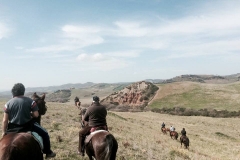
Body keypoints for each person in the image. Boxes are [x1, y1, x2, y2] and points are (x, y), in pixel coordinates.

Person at [1, 83, 56, 159]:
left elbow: (5, 120)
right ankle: (48, 152)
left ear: (13, 92)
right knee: (45, 133)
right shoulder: (31, 101)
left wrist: (4, 132)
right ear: (23, 91)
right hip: (27, 127)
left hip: (12, 128)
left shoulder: (8, 104)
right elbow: (36, 115)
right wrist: (31, 115)